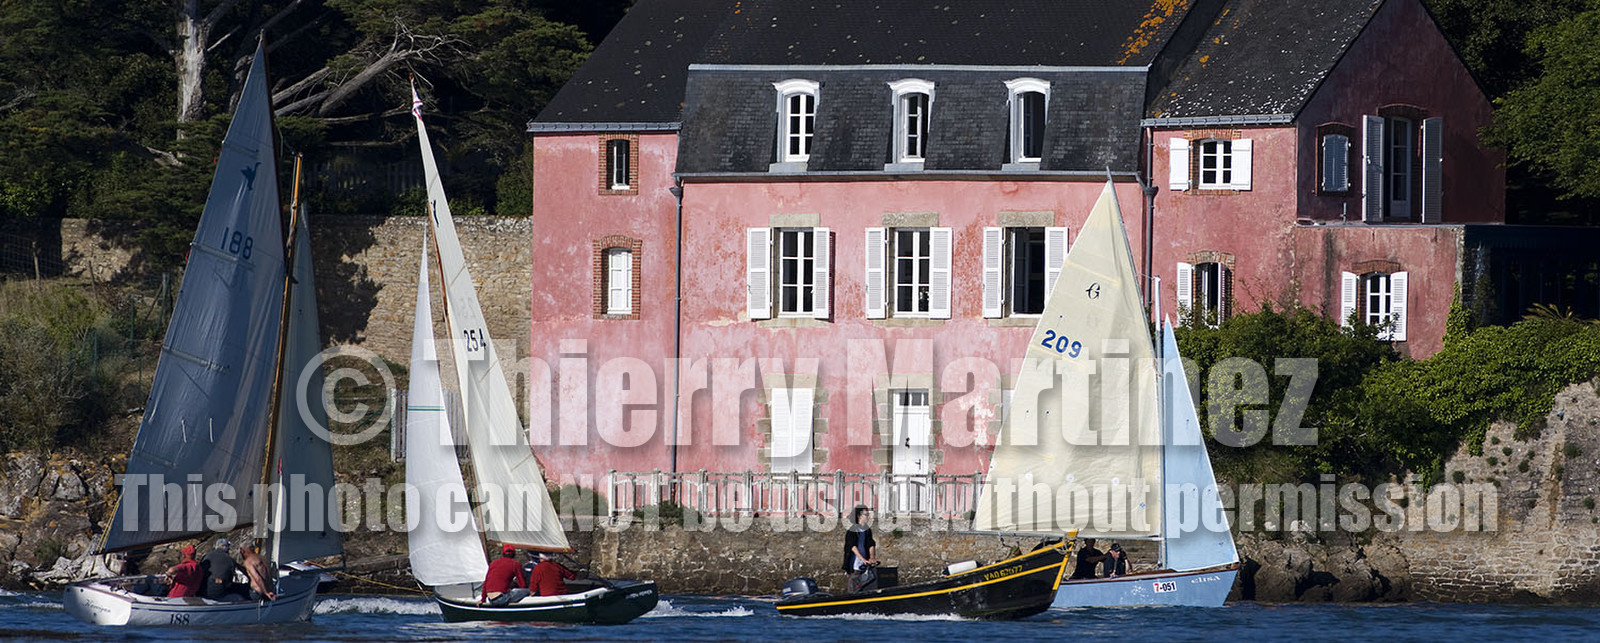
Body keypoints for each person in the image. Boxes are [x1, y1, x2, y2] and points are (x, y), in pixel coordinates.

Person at [841, 505, 878, 592]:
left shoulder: (867, 530)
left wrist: (872, 557)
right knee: (854, 588)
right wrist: (863, 559)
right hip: (855, 565)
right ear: (859, 516)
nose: (868, 517)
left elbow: (871, 544)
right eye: (866, 515)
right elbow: (852, 547)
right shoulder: (852, 530)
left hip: (865, 566)